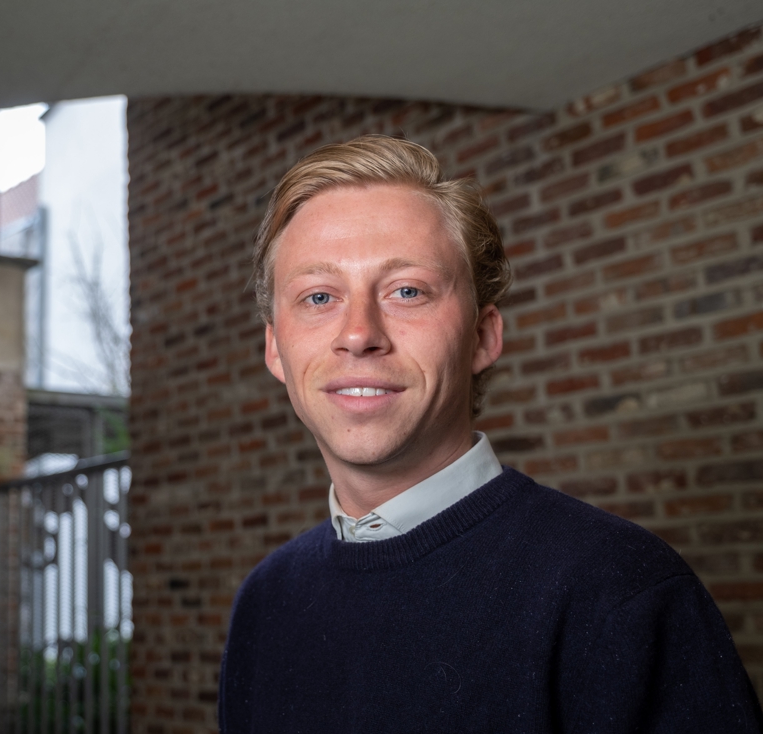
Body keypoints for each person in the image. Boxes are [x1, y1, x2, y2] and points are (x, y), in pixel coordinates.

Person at [219, 135, 761, 733]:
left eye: (407, 291)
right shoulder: (265, 605)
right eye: (318, 297)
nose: (358, 333)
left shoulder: (619, 592)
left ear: (482, 337)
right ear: (276, 348)